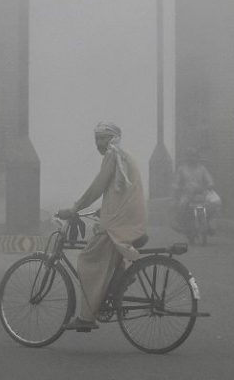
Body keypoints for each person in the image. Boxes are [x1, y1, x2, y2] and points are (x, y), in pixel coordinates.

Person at [57, 122, 146, 331]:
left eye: (103, 138)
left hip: (120, 221)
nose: (98, 143)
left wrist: (74, 208)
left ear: (113, 139)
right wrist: (103, 210)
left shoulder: (113, 155)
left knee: (87, 258)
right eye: (96, 138)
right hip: (130, 217)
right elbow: (118, 190)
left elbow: (98, 187)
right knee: (105, 258)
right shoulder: (122, 156)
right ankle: (117, 282)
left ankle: (87, 318)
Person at [171, 148, 218, 235]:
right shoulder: (182, 169)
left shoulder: (202, 169)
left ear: (198, 158)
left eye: (195, 157)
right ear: (187, 158)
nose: (193, 159)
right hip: (187, 194)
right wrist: (176, 188)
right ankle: (180, 224)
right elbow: (176, 182)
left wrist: (210, 184)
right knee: (181, 205)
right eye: (191, 157)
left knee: (214, 203)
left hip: (200, 193)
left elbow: (209, 178)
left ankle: (210, 224)